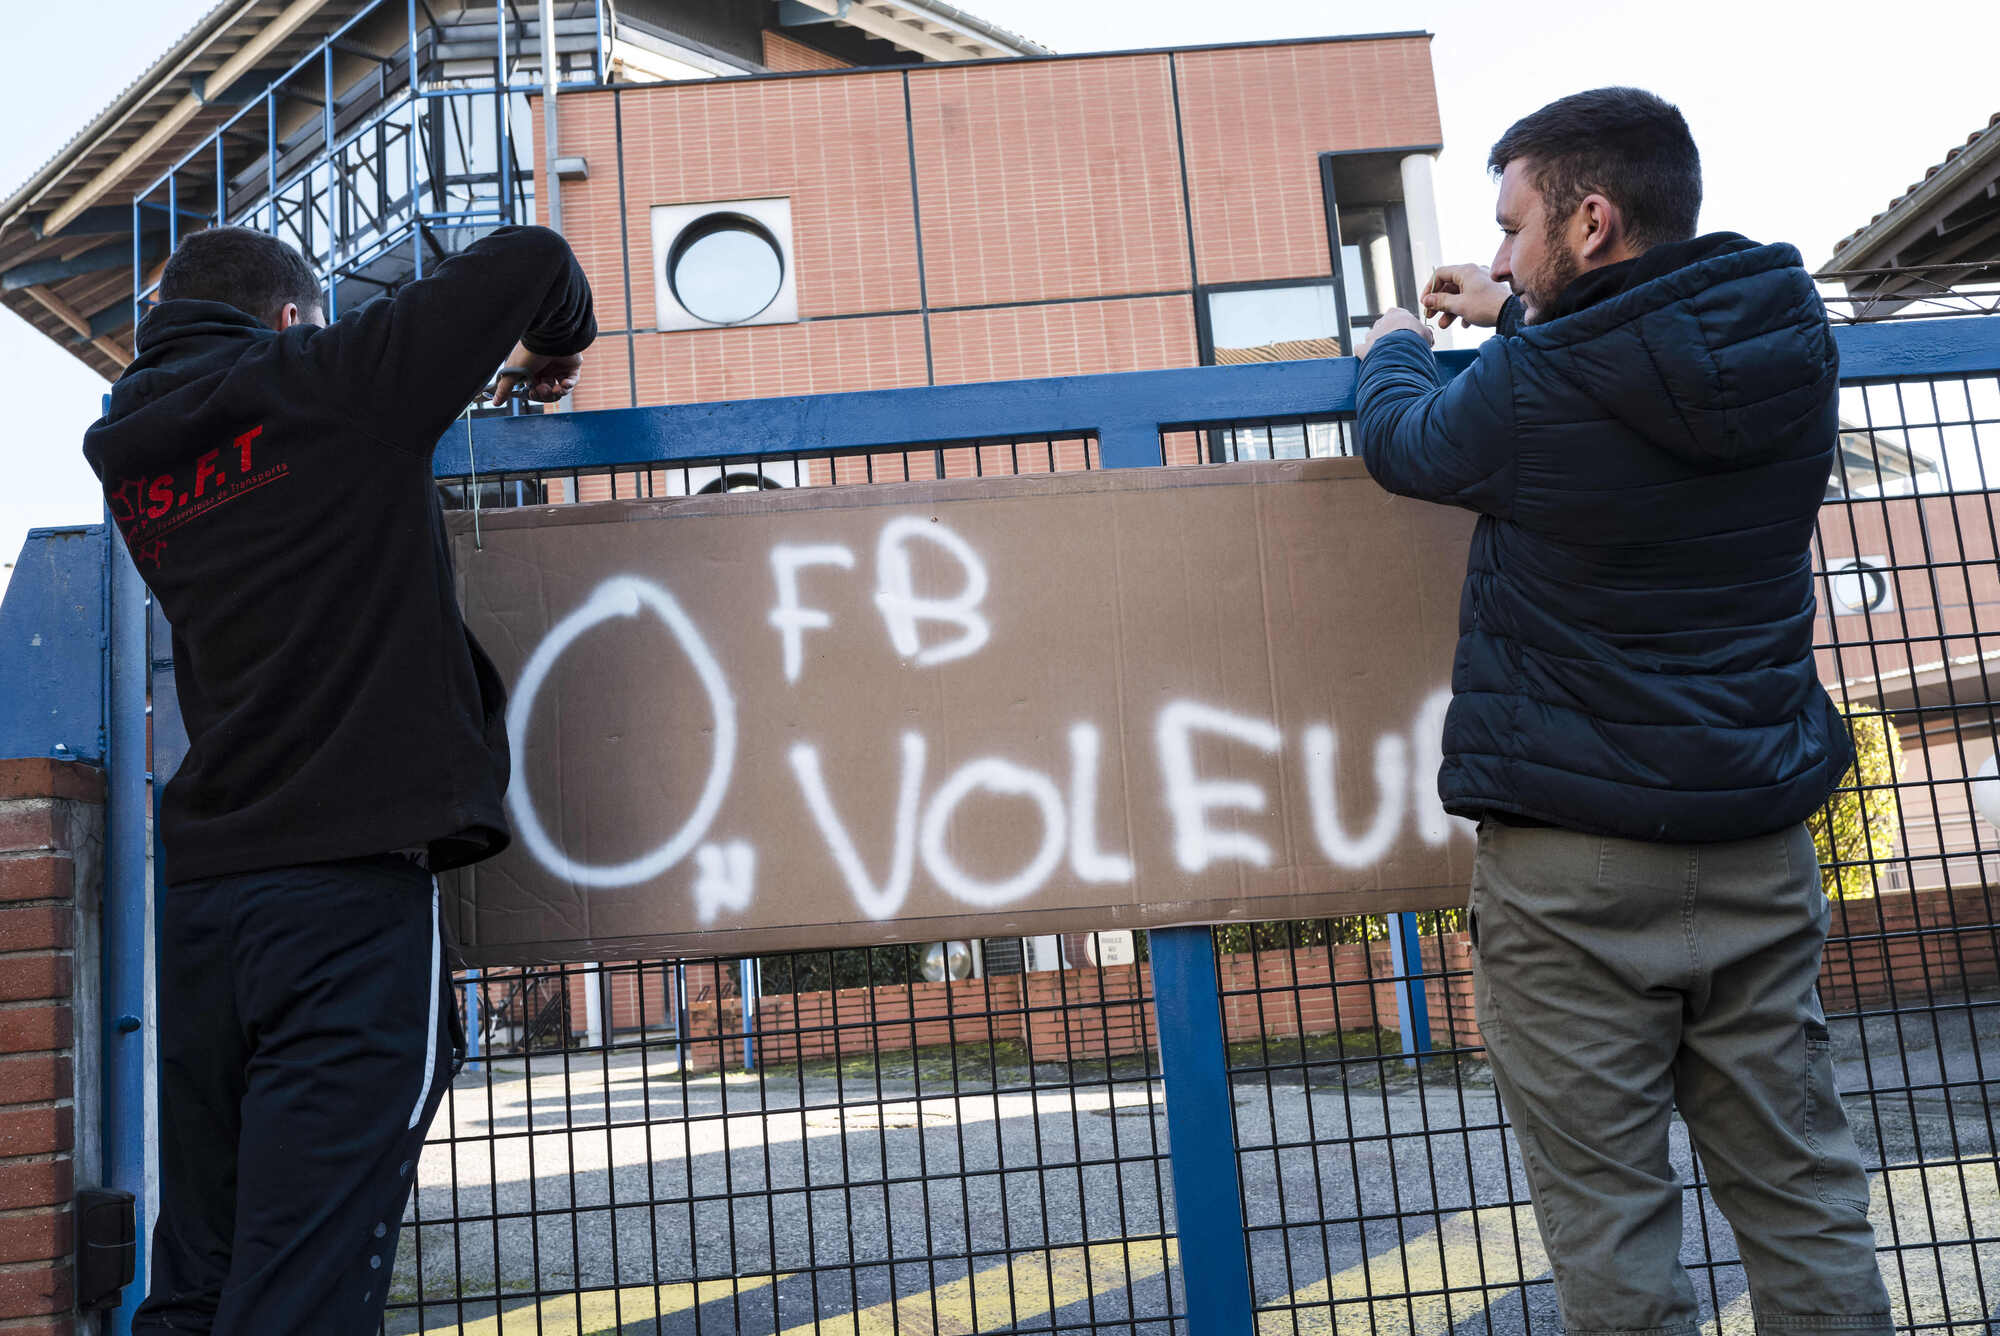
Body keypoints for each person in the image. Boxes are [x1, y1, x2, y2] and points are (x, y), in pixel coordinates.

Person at [1353, 88, 1892, 1332]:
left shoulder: (1529, 387)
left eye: (1510, 229)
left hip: (1572, 869)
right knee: (1802, 1196)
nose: (1493, 257)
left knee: (1609, 1225)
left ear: (1588, 221)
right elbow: (1650, 351)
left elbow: (1405, 441)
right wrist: (1521, 309)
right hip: (1756, 847)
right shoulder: (1785, 341)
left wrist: (1392, 338)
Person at [83, 223, 594, 1335]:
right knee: (307, 1279)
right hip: (345, 897)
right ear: (290, 317)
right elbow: (535, 256)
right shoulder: (331, 382)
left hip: (212, 903)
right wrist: (553, 350)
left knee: (203, 1269)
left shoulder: (134, 451)